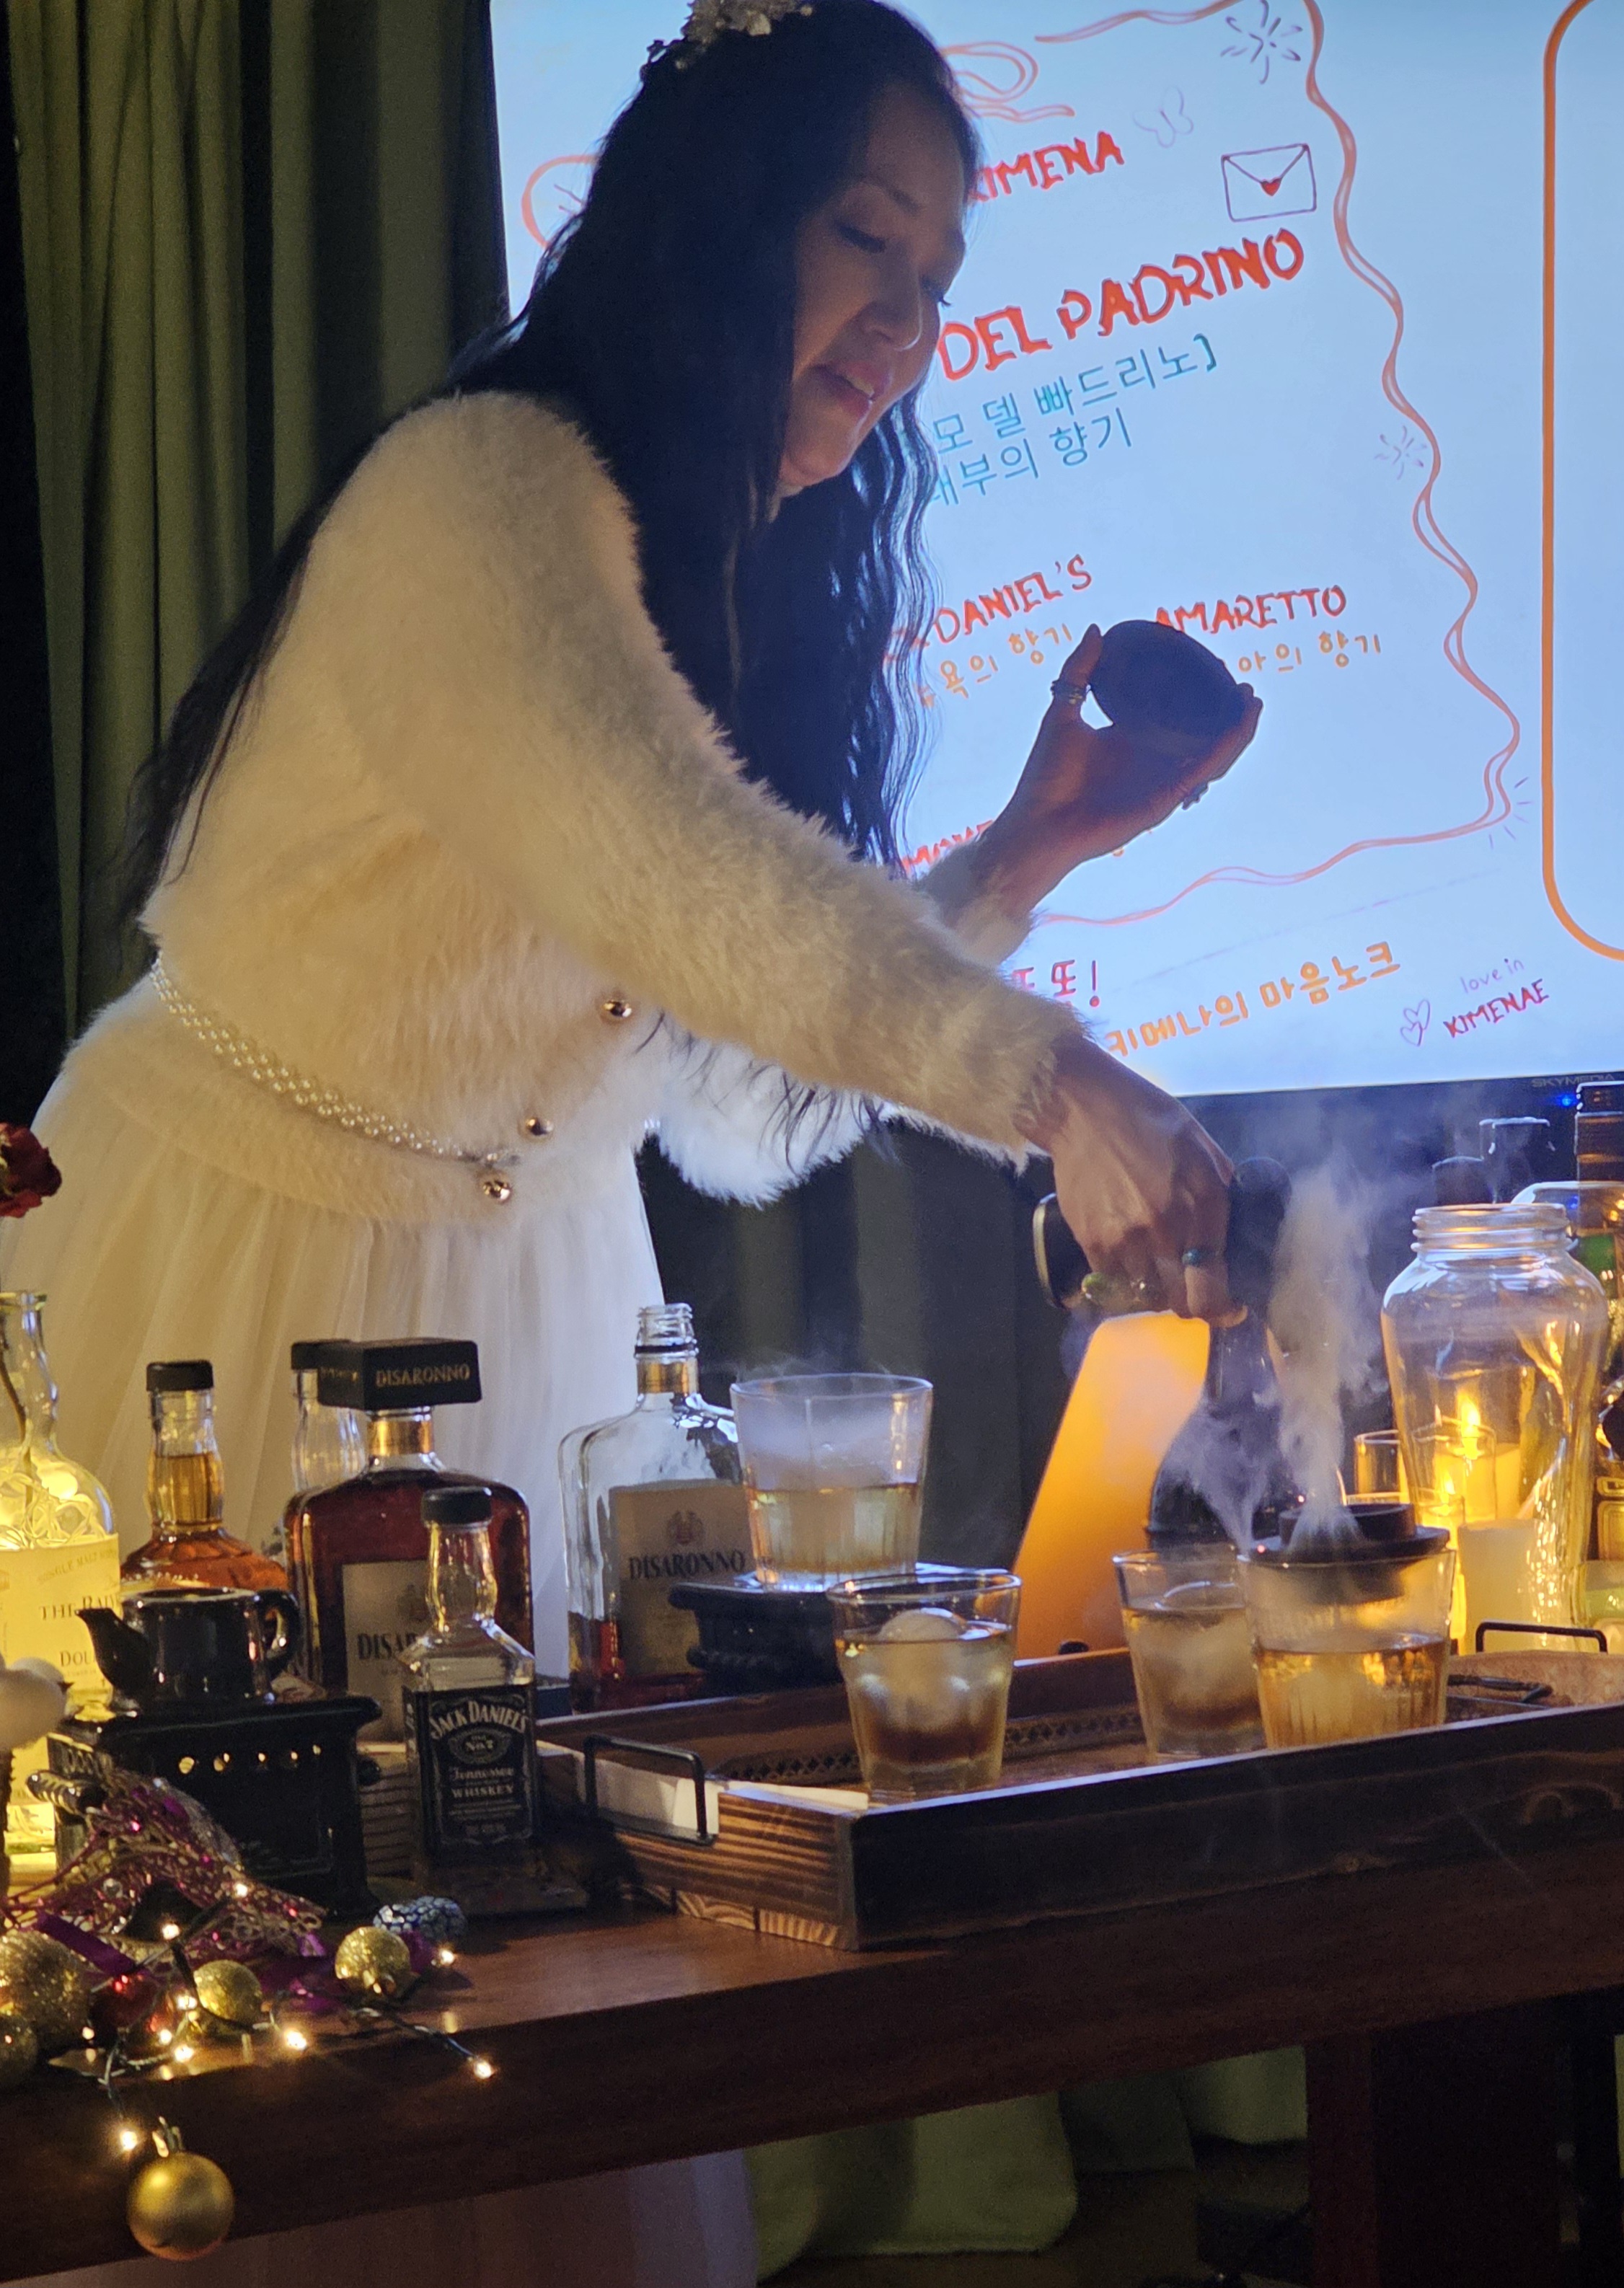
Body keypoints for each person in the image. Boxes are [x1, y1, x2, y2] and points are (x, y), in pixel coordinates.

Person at [3, 3, 1257, 2279]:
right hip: (239, 1268)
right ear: (710, 222)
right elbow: (683, 874)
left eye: (936, 278)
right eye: (862, 237)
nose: (901, 319)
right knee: (235, 2025)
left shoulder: (700, 565)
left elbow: (734, 1100)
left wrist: (1028, 853)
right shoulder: (479, 489)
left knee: (538, 2014)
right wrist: (1057, 1082)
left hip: (540, 1303)